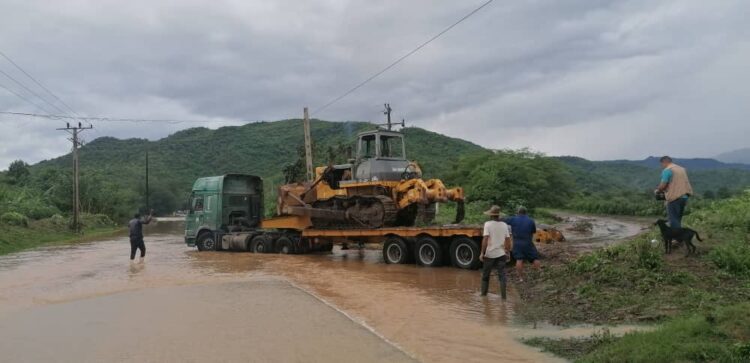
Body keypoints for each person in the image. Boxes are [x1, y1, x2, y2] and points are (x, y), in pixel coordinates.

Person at [479, 205, 512, 299]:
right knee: (502, 275)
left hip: (489, 254)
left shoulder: (487, 224)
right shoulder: (504, 225)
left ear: (491, 215)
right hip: (501, 254)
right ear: (499, 215)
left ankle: (483, 296)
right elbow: (508, 239)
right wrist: (508, 252)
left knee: (486, 275)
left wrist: (482, 253)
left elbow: (485, 239)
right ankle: (504, 298)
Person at [655, 156, 693, 229]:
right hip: (684, 197)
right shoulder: (681, 169)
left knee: (673, 220)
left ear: (664, 162)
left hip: (674, 197)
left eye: (661, 164)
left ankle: (676, 238)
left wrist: (657, 190)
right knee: (678, 218)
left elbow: (663, 185)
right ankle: (679, 237)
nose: (662, 166)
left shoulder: (667, 170)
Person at [504, 206, 540, 282]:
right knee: (535, 258)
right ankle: (539, 275)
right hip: (528, 242)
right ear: (526, 212)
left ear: (517, 212)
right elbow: (533, 232)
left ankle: (521, 278)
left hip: (517, 243)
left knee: (519, 259)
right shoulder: (531, 220)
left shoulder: (513, 219)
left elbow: (503, 220)